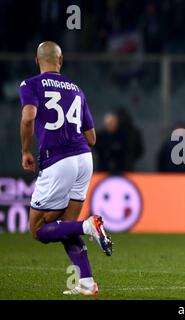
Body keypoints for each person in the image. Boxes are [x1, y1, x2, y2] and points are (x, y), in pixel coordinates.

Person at [19, 41, 113, 295]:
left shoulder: (30, 85)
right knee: (64, 227)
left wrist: (26, 150)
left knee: (38, 229)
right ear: (60, 61)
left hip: (58, 160)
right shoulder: (76, 89)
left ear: (37, 60)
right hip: (84, 159)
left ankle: (88, 226)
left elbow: (28, 116)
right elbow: (92, 138)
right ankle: (86, 283)